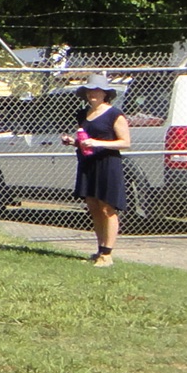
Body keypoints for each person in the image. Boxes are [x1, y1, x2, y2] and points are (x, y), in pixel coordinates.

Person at [64, 72, 131, 267]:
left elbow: (125, 142)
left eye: (97, 91)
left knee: (107, 207)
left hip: (108, 163)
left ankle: (107, 255)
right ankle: (100, 249)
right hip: (88, 164)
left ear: (105, 93)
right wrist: (73, 142)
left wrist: (98, 142)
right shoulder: (83, 114)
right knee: (93, 207)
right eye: (89, 91)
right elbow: (85, 141)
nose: (92, 94)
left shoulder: (114, 114)